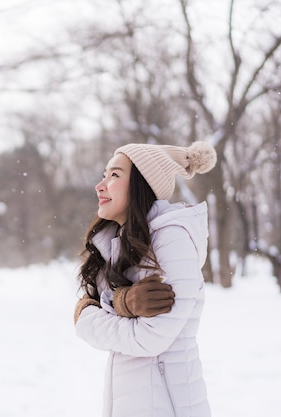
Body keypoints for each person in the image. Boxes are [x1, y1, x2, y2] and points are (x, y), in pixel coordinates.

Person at [74, 141, 216, 417]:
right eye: (104, 175)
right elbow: (93, 304)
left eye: (114, 175)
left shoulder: (172, 238)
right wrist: (120, 302)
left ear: (142, 184)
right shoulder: (124, 242)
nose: (100, 185)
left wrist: (87, 317)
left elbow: (149, 339)